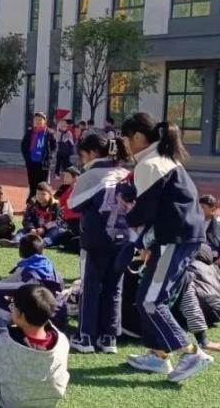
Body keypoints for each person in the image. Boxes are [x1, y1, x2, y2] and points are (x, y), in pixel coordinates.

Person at [119, 112, 212, 383]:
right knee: (146, 298)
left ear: (137, 137)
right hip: (176, 237)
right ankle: (158, 355)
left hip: (175, 238)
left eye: (126, 139)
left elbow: (144, 211)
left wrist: (127, 215)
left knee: (151, 301)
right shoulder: (162, 159)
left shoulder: (150, 164)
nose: (125, 145)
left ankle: (191, 353)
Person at [67, 132, 132, 354]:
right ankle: (109, 338)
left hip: (96, 239)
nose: (82, 160)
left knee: (90, 287)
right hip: (123, 238)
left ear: (93, 152)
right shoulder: (125, 173)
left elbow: (73, 205)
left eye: (83, 155)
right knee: (114, 288)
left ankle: (85, 337)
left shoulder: (91, 175)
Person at [0, 284, 70, 408]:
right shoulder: (62, 341)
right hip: (48, 401)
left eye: (13, 306)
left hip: (10, 401)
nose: (12, 308)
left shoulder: (5, 345)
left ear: (22, 315)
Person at [0, 234, 66, 331]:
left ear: (20, 252)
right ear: (42, 250)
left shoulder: (25, 270)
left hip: (37, 323)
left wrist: (14, 292)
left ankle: (18, 326)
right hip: (58, 320)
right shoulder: (51, 266)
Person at [0, 182, 63, 248]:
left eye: (43, 194)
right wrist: (31, 228)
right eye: (38, 194)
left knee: (56, 232)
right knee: (22, 231)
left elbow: (57, 221)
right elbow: (26, 219)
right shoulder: (32, 203)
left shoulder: (56, 205)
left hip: (48, 231)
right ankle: (16, 242)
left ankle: (42, 243)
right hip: (34, 230)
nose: (40, 196)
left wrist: (44, 228)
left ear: (50, 195)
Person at [20, 112, 57, 203]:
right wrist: (27, 158)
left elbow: (54, 147)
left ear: (45, 121)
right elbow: (24, 146)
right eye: (36, 120)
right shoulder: (29, 132)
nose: (38, 122)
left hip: (44, 163)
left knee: (43, 185)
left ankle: (44, 202)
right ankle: (32, 202)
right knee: (32, 183)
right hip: (31, 162)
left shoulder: (49, 133)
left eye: (40, 120)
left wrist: (50, 157)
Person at [54, 167, 82, 252]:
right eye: (64, 176)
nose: (64, 178)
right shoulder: (67, 188)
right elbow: (59, 203)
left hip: (76, 220)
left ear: (75, 177)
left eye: (67, 176)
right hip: (68, 220)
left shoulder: (79, 188)